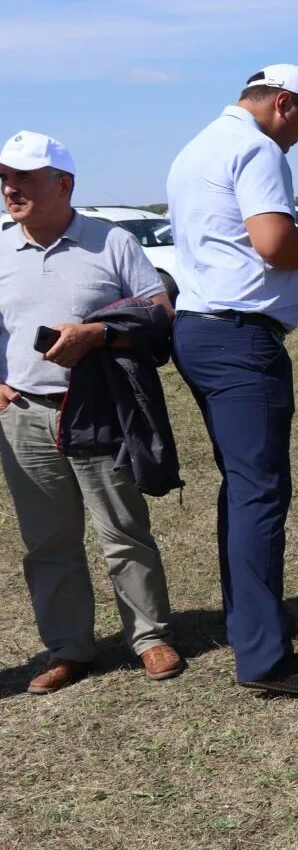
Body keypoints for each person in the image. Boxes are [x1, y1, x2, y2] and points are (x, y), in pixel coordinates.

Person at [166, 65, 298, 697]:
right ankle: (266, 657)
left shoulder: (197, 147)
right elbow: (272, 242)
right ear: (283, 104)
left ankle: (254, 627)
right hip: (240, 339)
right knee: (259, 495)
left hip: (199, 331)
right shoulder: (257, 147)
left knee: (243, 490)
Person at [0, 131, 182, 694]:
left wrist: (97, 333)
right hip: (26, 415)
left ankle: (150, 638)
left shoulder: (113, 242)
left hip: (100, 409)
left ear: (64, 184)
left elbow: (160, 318)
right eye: (5, 179)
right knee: (48, 540)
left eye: (24, 178)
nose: (11, 189)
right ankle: (68, 648)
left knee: (123, 529)